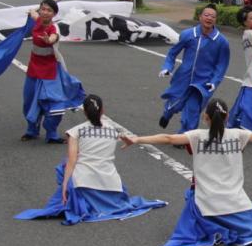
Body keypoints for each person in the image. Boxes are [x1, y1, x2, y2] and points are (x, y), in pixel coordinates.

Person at [123, 99, 252, 246]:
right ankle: (233, 224)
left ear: (205, 117)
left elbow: (168, 138)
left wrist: (137, 139)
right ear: (227, 116)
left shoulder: (197, 136)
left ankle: (213, 226)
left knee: (192, 202)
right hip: (234, 199)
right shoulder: (238, 135)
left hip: (206, 201)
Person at [14, 94, 168, 224]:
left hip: (84, 182)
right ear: (103, 111)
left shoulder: (76, 131)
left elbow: (72, 160)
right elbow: (125, 137)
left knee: (64, 166)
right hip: (110, 182)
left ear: (85, 113)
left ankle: (77, 202)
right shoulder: (113, 130)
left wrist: (65, 185)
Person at [19, 0, 85, 143]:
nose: (45, 12)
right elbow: (33, 13)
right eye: (43, 9)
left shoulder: (53, 28)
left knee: (54, 104)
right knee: (29, 101)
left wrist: (49, 40)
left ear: (54, 14)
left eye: (49, 10)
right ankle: (32, 130)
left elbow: (53, 38)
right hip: (34, 70)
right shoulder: (37, 20)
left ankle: (52, 134)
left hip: (50, 71)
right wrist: (32, 11)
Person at [159, 4, 230, 133]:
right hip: (183, 78)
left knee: (192, 110)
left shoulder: (221, 41)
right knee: (175, 104)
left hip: (202, 83)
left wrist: (214, 82)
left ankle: (184, 137)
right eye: (206, 15)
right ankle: (167, 113)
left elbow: (222, 65)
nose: (209, 18)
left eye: (213, 16)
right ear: (200, 17)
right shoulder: (188, 34)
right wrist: (167, 67)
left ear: (216, 20)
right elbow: (172, 53)